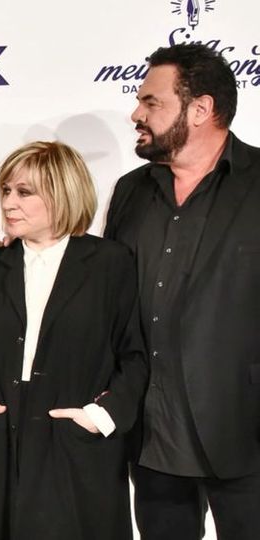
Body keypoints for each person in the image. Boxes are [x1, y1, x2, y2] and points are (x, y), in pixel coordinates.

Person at [104, 43, 260, 540]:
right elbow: (106, 290)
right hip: (151, 436)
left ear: (200, 109)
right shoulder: (130, 190)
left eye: (151, 102)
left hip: (245, 434)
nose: (136, 114)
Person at [0, 141, 147, 539]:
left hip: (75, 448)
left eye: (24, 192)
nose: (9, 202)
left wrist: (101, 417)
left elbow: (134, 355)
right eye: (6, 190)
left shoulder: (110, 263)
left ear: (63, 193)